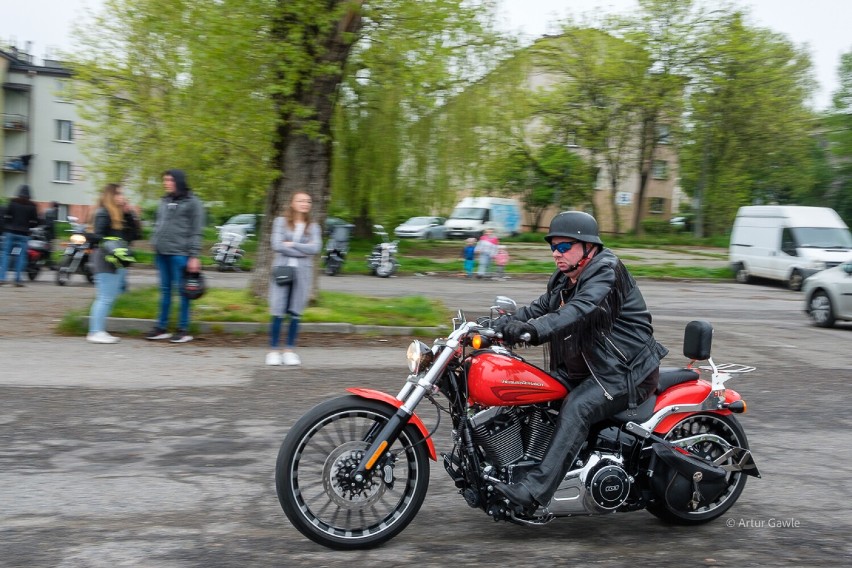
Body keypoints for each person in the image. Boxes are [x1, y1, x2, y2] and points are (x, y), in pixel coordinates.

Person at [491, 211, 669, 512]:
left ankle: (535, 492)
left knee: (578, 406)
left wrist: (533, 331)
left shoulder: (606, 271)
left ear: (588, 247)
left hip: (624, 372)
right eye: (553, 247)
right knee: (530, 389)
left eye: (565, 246)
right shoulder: (564, 279)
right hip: (588, 369)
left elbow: (578, 311)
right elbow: (537, 309)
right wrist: (489, 326)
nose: (556, 253)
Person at [146, 169, 205, 343]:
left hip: (180, 254)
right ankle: (161, 328)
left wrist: (194, 256)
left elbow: (196, 231)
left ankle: (183, 329)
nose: (166, 183)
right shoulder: (164, 201)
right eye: (165, 180)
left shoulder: (193, 202)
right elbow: (159, 223)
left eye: (170, 180)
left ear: (179, 181)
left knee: (183, 292)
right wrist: (154, 241)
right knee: (165, 291)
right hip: (161, 253)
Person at [266, 192, 322, 366]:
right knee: (278, 309)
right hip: (283, 270)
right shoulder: (280, 222)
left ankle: (289, 349)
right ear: (292, 203)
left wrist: (292, 244)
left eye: (308, 201)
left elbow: (316, 248)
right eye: (300, 200)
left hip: (302, 273)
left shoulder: (313, 226)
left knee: (296, 311)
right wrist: (302, 250)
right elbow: (276, 244)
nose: (305, 203)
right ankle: (274, 350)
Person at [86, 184, 136, 344]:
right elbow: (98, 236)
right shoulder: (103, 213)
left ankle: (99, 330)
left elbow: (134, 235)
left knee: (111, 297)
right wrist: (87, 236)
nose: (123, 196)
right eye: (119, 193)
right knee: (105, 297)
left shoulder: (119, 214)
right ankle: (95, 331)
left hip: (118, 259)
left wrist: (129, 214)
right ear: (111, 196)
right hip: (106, 258)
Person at [0, 184, 39, 287]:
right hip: (24, 234)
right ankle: (17, 280)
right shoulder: (32, 206)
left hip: (10, 232)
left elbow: (6, 215)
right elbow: (35, 222)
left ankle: (2, 278)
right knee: (21, 257)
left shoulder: (13, 203)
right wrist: (28, 226)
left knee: (6, 255)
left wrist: (8, 225)